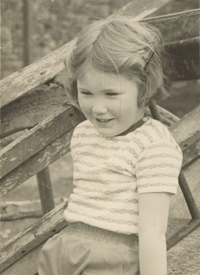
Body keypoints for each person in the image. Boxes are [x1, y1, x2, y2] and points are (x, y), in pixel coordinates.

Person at [38, 16, 183, 275]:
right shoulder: (84, 133)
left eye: (111, 94)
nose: (98, 108)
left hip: (113, 260)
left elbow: (153, 234)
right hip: (65, 249)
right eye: (87, 93)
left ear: (144, 88)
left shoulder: (155, 147)